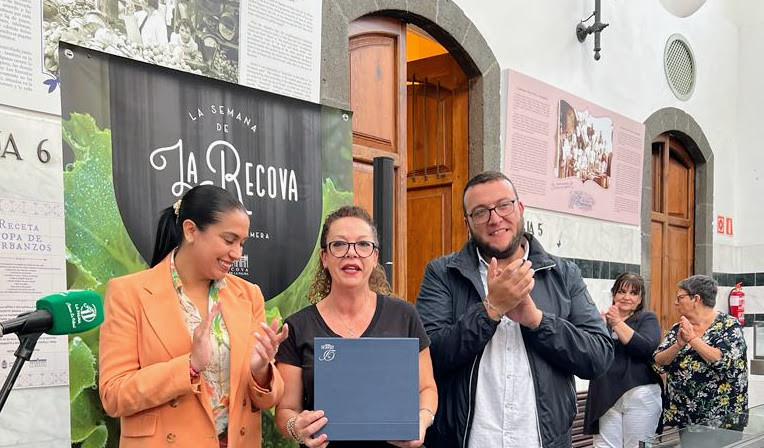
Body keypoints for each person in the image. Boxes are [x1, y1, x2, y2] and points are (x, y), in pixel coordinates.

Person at [416, 171, 613, 448]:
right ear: (467, 223)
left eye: (503, 205)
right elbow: (429, 357)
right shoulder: (443, 273)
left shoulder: (563, 274)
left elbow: (598, 357)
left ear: (519, 208)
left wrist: (537, 321)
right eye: (480, 212)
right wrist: (490, 310)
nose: (495, 219)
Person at [99, 185, 286, 448]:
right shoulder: (129, 293)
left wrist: (260, 372)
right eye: (229, 240)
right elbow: (113, 395)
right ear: (190, 231)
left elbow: (267, 399)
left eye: (242, 243)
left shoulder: (248, 294)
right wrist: (189, 366)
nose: (238, 254)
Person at [275, 205, 437, 448]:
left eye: (363, 244)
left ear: (374, 257)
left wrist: (422, 421)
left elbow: (427, 388)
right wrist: (296, 428)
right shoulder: (298, 326)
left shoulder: (404, 315)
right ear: (324, 258)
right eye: (339, 244)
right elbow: (286, 410)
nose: (351, 253)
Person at [654, 274, 748, 430]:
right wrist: (678, 345)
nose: (675, 303)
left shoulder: (729, 326)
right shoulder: (678, 328)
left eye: (680, 298)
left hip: (722, 420)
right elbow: (657, 362)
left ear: (696, 299)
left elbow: (723, 362)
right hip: (686, 419)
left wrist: (692, 339)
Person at [584, 273, 663, 447]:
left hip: (639, 394)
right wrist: (597, 325)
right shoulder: (600, 320)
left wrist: (617, 323)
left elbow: (645, 348)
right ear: (614, 294)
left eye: (634, 293)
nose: (627, 297)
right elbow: (589, 352)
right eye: (622, 291)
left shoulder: (646, 318)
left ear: (641, 298)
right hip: (605, 396)